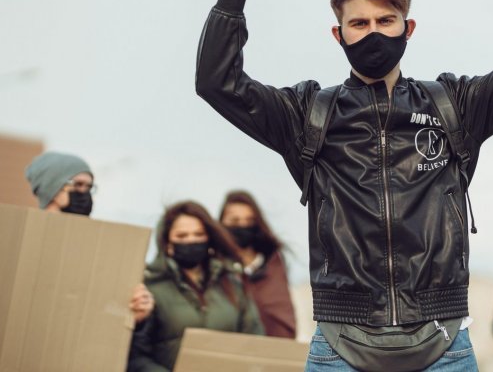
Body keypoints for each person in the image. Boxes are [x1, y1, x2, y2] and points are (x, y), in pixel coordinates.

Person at [195, 0, 493, 371]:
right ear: (338, 34)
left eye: (386, 22)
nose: (373, 34)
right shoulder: (307, 114)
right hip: (340, 343)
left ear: (408, 29)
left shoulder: (454, 106)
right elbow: (216, 83)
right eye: (359, 24)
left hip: (443, 342)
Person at [127, 201, 264, 372]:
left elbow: (256, 342)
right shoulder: (149, 289)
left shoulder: (233, 285)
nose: (191, 240)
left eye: (198, 234)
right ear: (168, 244)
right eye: (182, 236)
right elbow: (135, 357)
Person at [25, 150, 154, 325]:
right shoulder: (26, 239)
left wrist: (135, 312)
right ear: (51, 187)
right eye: (77, 185)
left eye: (89, 187)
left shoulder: (104, 249)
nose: (84, 193)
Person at [219, 189, 297, 338]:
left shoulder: (273, 264)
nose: (242, 226)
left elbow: (284, 314)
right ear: (221, 223)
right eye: (234, 221)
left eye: (249, 221)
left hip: (272, 350)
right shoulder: (215, 265)